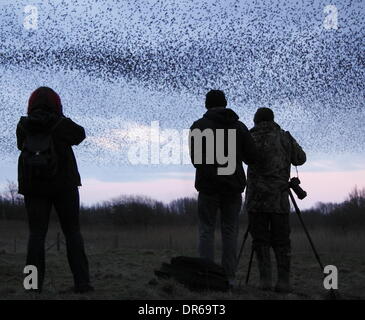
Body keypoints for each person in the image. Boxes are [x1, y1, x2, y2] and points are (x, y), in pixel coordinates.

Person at [16, 86, 93, 293]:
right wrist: (61, 116)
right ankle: (82, 283)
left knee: (36, 236)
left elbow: (19, 145)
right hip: (64, 186)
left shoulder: (23, 125)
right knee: (73, 233)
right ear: (56, 103)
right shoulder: (61, 123)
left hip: (33, 188)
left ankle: (32, 286)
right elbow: (80, 135)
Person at [189, 90, 257, 287]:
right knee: (230, 232)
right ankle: (229, 278)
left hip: (208, 188)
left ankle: (206, 278)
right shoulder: (239, 127)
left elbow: (196, 160)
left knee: (206, 231)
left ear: (206, 105)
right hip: (233, 188)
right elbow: (252, 158)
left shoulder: (199, 126)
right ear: (225, 104)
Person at [245, 107, 306, 293]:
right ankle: (283, 282)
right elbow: (301, 159)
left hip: (256, 199)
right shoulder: (285, 137)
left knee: (260, 240)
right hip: (279, 199)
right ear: (272, 119)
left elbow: (242, 158)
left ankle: (265, 281)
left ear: (256, 121)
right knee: (282, 240)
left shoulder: (250, 137)